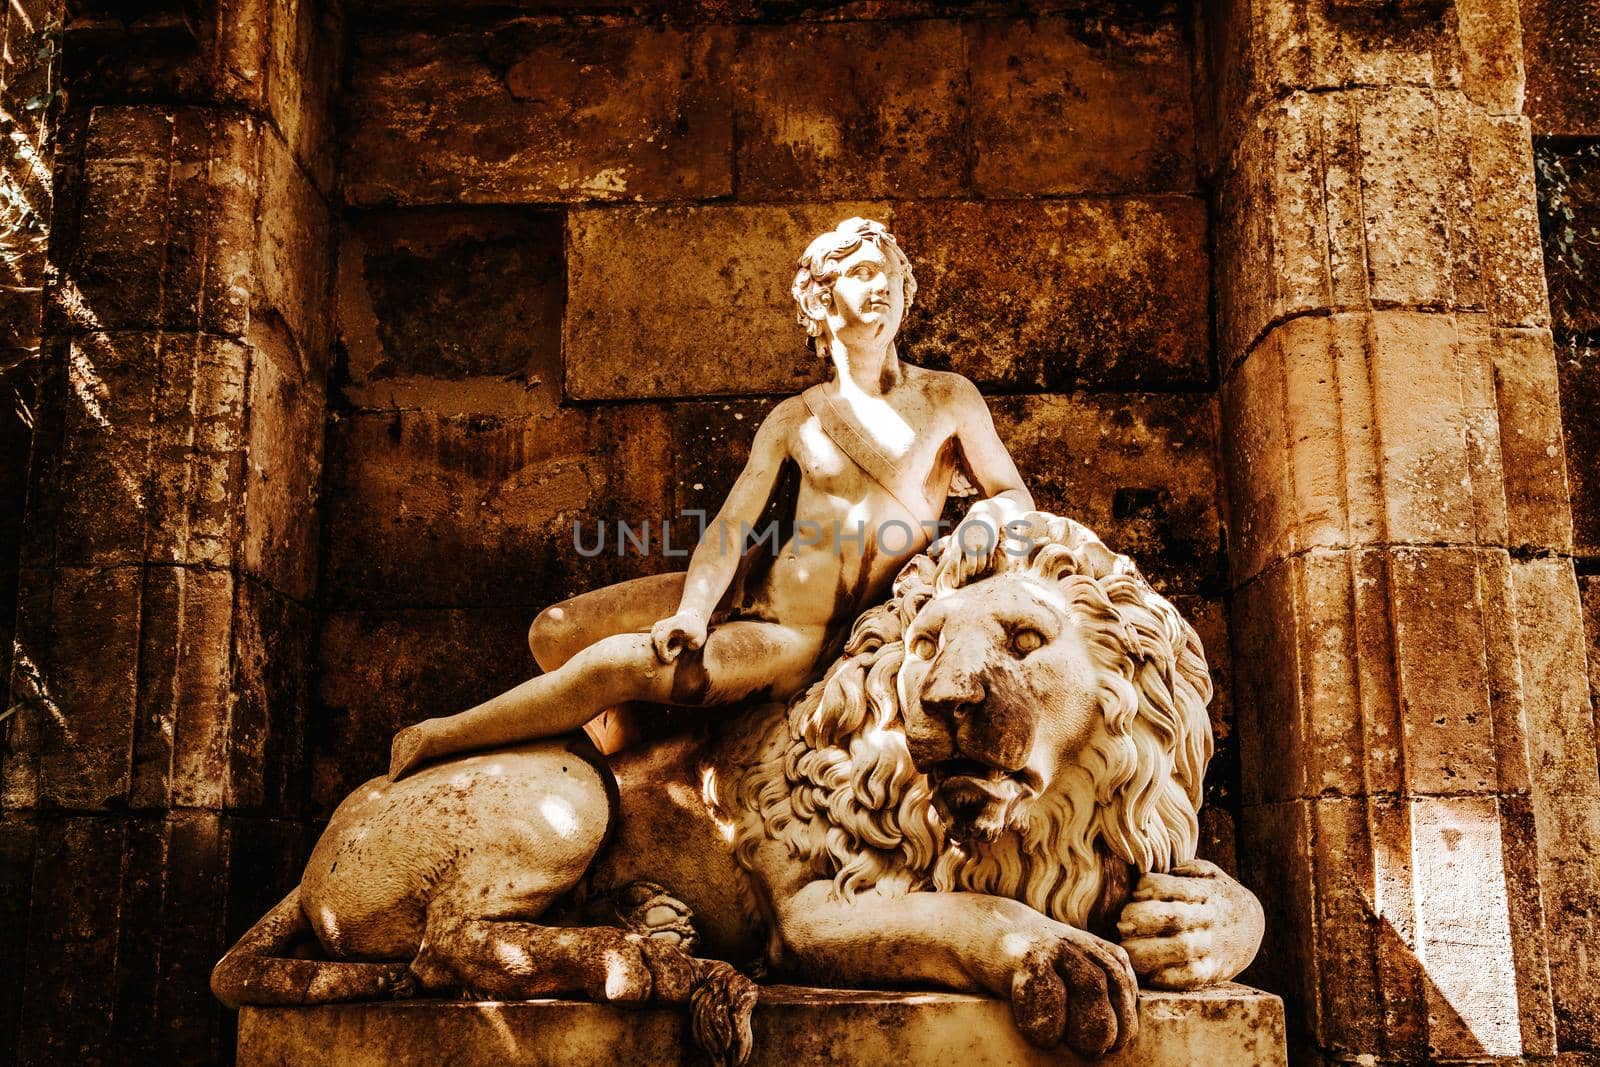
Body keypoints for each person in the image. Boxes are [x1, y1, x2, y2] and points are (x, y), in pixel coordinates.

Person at [388, 218, 1036, 778]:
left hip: (799, 638)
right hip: (747, 588)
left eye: (891, 274)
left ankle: (439, 737)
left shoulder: (948, 398)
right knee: (553, 633)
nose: (883, 286)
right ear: (820, 297)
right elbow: (729, 527)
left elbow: (1012, 494)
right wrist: (694, 614)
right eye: (862, 272)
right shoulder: (795, 417)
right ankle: (634, 768)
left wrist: (984, 522)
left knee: (613, 664)